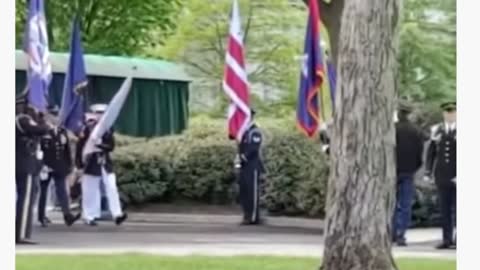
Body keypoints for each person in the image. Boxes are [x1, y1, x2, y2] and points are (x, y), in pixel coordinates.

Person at [75, 104, 127, 226]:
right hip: (90, 161)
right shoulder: (87, 129)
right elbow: (80, 147)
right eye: (98, 113)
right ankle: (89, 215)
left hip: (104, 161)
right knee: (90, 190)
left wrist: (100, 145)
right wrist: (79, 164)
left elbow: (111, 146)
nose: (101, 115)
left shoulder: (107, 129)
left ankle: (117, 214)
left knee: (112, 187)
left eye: (103, 113)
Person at [15, 93, 51, 244]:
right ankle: (20, 234)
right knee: (26, 200)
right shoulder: (22, 119)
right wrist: (43, 118)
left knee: (26, 199)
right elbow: (42, 130)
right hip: (25, 164)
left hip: (25, 163)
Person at [37, 105, 81, 227]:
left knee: (62, 191)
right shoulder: (41, 130)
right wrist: (41, 165)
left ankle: (68, 216)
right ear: (47, 116)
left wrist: (69, 165)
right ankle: (41, 216)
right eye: (53, 115)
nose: (56, 117)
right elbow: (38, 150)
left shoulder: (61, 131)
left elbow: (66, 150)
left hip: (59, 166)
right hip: (46, 167)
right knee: (43, 193)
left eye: (57, 115)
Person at [391, 104, 425, 246]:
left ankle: (391, 232)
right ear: (409, 114)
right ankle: (401, 234)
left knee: (391, 204)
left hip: (393, 171)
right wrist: (413, 168)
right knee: (405, 205)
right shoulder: (416, 131)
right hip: (408, 171)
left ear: (399, 114)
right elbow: (420, 155)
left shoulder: (392, 129)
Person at [425, 101, 456, 249]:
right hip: (442, 175)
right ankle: (446, 239)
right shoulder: (437, 130)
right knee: (444, 209)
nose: (450, 114)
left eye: (453, 111)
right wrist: (428, 172)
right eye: (447, 112)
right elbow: (431, 153)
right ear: (444, 113)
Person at [237, 110, 265, 225]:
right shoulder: (243, 131)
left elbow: (253, 149)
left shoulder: (254, 131)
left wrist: (242, 157)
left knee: (252, 192)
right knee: (244, 191)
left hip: (252, 165)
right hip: (244, 165)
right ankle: (246, 215)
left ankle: (253, 217)